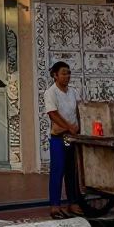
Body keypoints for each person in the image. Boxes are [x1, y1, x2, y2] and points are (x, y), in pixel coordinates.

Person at [44, 61, 82, 218]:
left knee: (72, 169)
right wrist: (68, 126)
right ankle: (55, 205)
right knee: (58, 170)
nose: (67, 76)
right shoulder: (51, 92)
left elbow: (80, 109)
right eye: (64, 73)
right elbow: (52, 114)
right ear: (55, 75)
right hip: (59, 137)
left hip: (71, 137)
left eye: (68, 73)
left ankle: (73, 202)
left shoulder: (73, 92)